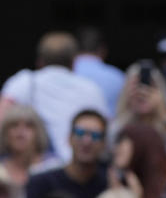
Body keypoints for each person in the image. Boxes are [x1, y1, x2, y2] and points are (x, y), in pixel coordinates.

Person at [0, 31, 109, 162]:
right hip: (78, 166)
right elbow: (105, 132)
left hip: (35, 168)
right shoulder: (92, 89)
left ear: (40, 61)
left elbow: (2, 120)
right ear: (74, 62)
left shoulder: (24, 82)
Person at [24, 108, 110, 198]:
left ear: (104, 143)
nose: (86, 141)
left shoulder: (110, 183)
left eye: (95, 135)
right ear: (69, 138)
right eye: (80, 133)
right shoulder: (40, 182)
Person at [111, 62, 166, 168]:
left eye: (150, 86)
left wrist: (162, 115)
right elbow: (110, 154)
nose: (142, 92)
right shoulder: (118, 124)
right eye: (136, 86)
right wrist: (132, 112)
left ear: (160, 90)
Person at [0, 105, 60, 198]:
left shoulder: (54, 167)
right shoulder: (1, 168)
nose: (20, 133)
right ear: (5, 133)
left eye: (28, 126)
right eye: (14, 126)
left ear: (39, 133)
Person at [73, 27, 127, 115]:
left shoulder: (66, 73)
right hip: (108, 128)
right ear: (103, 50)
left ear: (74, 49)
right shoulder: (117, 77)